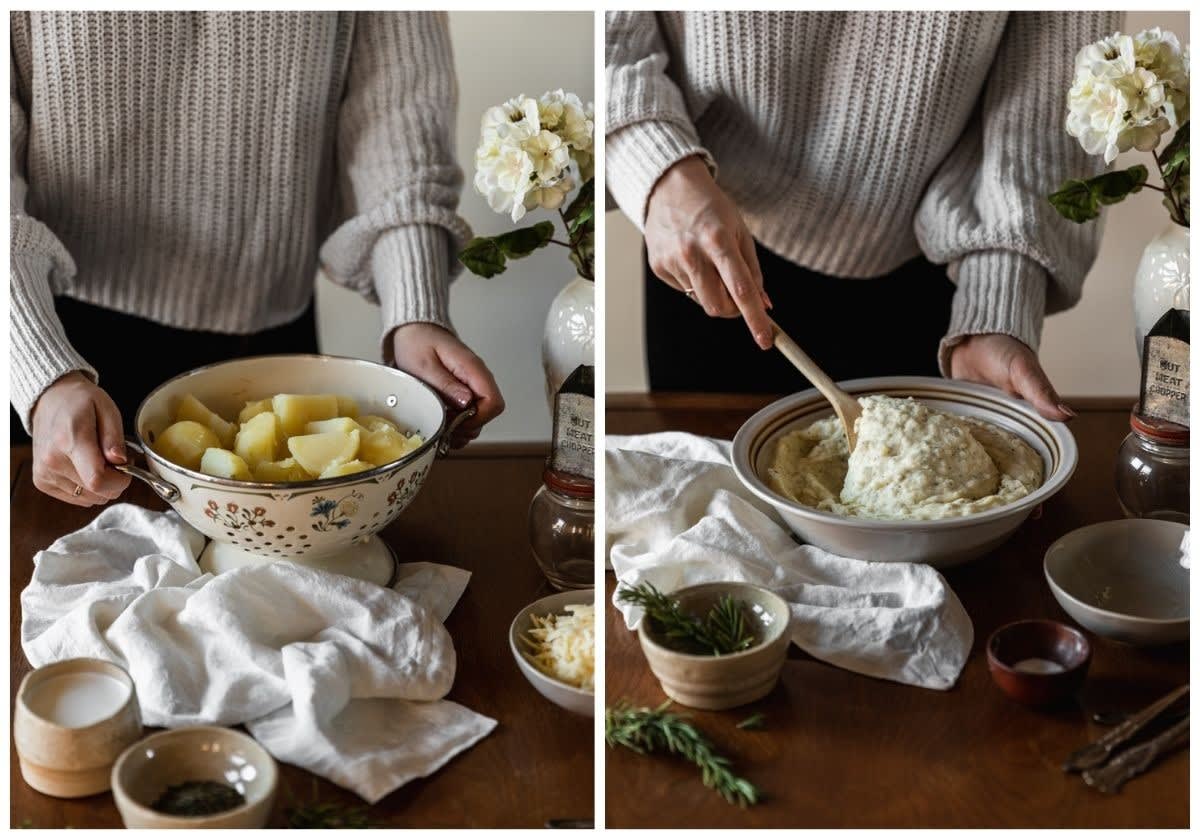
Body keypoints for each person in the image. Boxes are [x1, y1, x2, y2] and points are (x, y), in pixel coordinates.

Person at [11, 11, 504, 507]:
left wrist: (414, 311)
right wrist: (40, 371)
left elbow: (399, 122)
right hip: (53, 353)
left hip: (271, 350)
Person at [606, 11, 1118, 417]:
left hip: (933, 282)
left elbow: (1051, 105)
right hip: (707, 244)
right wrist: (661, 169)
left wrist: (996, 308)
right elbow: (611, 35)